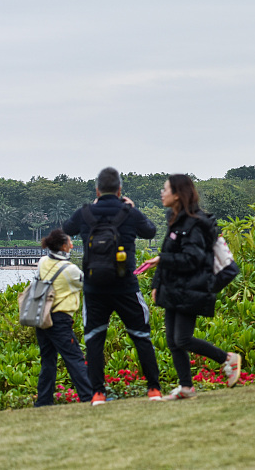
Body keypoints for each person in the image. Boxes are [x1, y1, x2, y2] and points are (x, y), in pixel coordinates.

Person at [63, 166, 162, 404]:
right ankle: (154, 389)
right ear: (120, 190)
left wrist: (93, 207)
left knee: (95, 339)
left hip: (94, 287)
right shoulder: (128, 212)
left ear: (97, 189)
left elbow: (67, 229)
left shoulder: (85, 213)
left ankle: (98, 393)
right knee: (141, 336)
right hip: (126, 285)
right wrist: (131, 208)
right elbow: (150, 231)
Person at [144, 174, 241, 400]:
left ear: (178, 194)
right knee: (172, 340)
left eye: (166, 189)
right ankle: (186, 386)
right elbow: (168, 251)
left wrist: (161, 260)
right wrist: (157, 283)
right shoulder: (174, 218)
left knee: (183, 339)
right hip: (173, 287)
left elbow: (193, 259)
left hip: (191, 288)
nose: (162, 193)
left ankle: (227, 359)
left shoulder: (196, 223)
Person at [33, 229, 94, 406]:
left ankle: (44, 401)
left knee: (48, 360)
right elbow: (89, 282)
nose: (72, 244)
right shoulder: (70, 269)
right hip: (59, 319)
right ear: (63, 246)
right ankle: (88, 396)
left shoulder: (43, 261)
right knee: (74, 357)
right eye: (69, 242)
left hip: (41, 317)